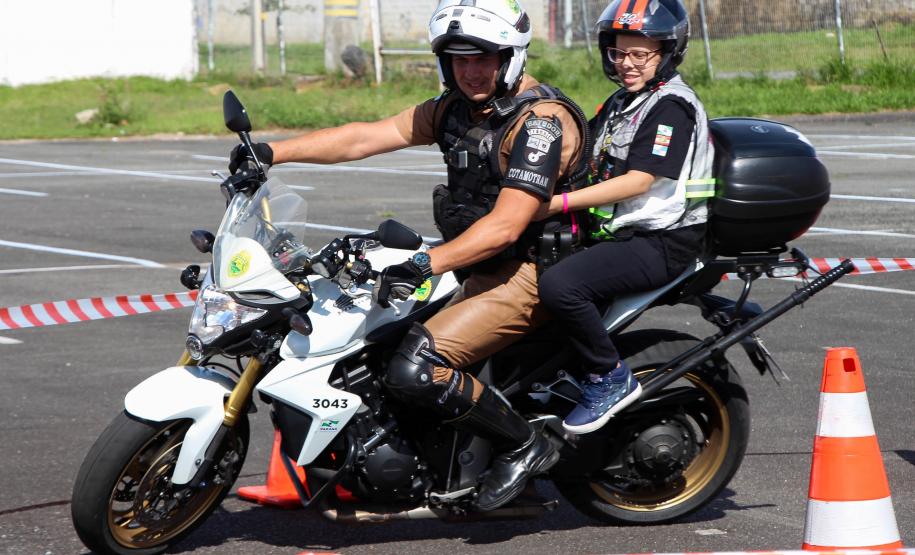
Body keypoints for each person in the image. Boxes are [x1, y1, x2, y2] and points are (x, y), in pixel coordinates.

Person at [228, 0, 587, 510]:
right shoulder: (455, 108)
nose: (470, 70)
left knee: (415, 367)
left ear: (511, 57)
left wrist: (425, 263)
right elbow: (367, 137)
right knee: (366, 338)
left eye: (483, 58)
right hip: (472, 261)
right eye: (458, 59)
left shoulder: (540, 125)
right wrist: (271, 153)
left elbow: (506, 226)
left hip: (528, 270)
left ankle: (525, 447)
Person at [535, 0, 715, 435]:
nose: (627, 63)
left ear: (668, 53)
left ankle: (609, 376)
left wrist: (556, 205)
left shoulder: (671, 106)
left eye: (640, 54)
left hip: (663, 240)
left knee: (562, 286)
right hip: (621, 233)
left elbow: (639, 181)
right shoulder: (624, 100)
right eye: (619, 52)